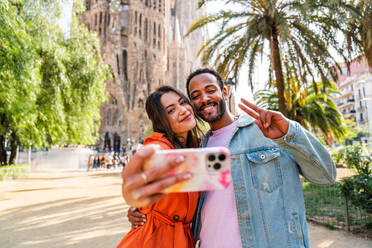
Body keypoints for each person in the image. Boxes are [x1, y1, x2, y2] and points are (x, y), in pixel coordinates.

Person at [126, 68, 336, 248]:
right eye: (195, 95)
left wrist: (289, 132)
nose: (204, 99)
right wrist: (141, 209)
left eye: (210, 90)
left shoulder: (266, 131)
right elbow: (167, 197)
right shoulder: (198, 149)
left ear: (224, 92)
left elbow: (326, 174)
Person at [117, 86, 203, 248]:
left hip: (182, 239)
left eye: (182, 103)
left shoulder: (198, 147)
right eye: (171, 111)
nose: (183, 110)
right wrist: (134, 198)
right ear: (160, 121)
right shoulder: (160, 148)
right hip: (151, 240)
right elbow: (151, 159)